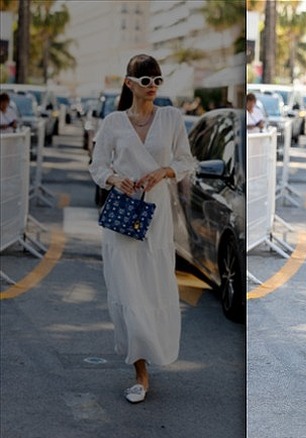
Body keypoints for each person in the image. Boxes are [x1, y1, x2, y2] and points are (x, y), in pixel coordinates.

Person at [89, 54, 197, 404]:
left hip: (157, 217)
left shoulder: (171, 118)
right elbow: (98, 165)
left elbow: (185, 160)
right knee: (128, 291)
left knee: (153, 288)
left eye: (157, 81)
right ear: (129, 83)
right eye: (145, 81)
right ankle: (140, 372)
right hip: (122, 219)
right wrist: (113, 178)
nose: (152, 87)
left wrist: (164, 171)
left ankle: (151, 353)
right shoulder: (113, 123)